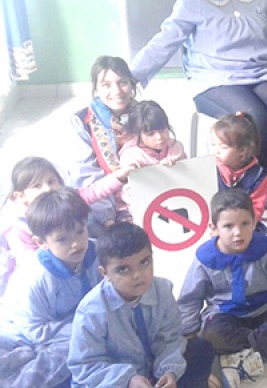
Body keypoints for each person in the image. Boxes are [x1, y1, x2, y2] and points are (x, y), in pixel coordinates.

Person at [132, 0, 267, 208]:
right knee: (255, 118)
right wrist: (134, 74)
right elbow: (166, 39)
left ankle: (265, 175)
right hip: (214, 77)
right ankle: (244, 181)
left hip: (260, 71)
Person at [178, 189, 267, 385]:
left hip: (266, 308)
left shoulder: (265, 249)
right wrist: (189, 333)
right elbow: (190, 299)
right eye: (228, 226)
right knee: (211, 337)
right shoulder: (204, 259)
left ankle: (245, 358)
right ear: (214, 228)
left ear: (254, 222)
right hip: (226, 314)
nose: (238, 233)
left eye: (245, 224)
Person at [68, 223, 215, 388]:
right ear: (105, 273)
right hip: (117, 380)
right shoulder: (91, 311)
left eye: (144, 262)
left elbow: (171, 339)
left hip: (153, 373)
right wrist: (128, 379)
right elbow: (85, 366)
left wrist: (170, 371)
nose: (137, 275)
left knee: (200, 348)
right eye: (123, 269)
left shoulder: (163, 291)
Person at [0, 189, 101, 388]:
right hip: (21, 333)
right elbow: (33, 329)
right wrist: (83, 327)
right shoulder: (35, 277)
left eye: (80, 231)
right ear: (41, 243)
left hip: (63, 331)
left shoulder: (99, 253)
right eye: (62, 239)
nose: (76, 243)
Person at [1, 157, 124, 291]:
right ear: (20, 196)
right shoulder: (19, 227)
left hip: (74, 265)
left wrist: (119, 178)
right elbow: (29, 265)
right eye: (37, 186)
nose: (48, 188)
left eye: (51, 181)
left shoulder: (66, 201)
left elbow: (93, 191)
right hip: (48, 277)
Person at [66, 55, 139, 235]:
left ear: (131, 84)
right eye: (106, 85)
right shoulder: (82, 121)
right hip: (101, 202)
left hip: (142, 192)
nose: (117, 91)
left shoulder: (145, 114)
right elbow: (86, 175)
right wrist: (108, 218)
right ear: (96, 89)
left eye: (123, 82)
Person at [119, 100, 186, 206]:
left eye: (163, 129)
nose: (159, 137)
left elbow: (188, 178)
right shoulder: (131, 155)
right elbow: (130, 193)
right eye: (151, 134)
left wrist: (176, 167)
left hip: (178, 200)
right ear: (136, 135)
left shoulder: (176, 147)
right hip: (142, 206)